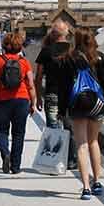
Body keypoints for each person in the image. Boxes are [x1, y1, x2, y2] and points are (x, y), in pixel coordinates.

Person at [54, 27, 104, 200]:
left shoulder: (67, 59)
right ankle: (97, 182)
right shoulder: (100, 57)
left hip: (76, 105)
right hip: (96, 105)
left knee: (81, 145)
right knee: (94, 141)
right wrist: (98, 94)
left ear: (75, 41)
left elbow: (63, 88)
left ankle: (85, 187)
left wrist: (62, 110)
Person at [0, 33, 37, 174]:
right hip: (21, 100)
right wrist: (33, 102)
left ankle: (5, 154)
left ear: (4, 46)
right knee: (18, 134)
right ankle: (15, 166)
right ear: (19, 47)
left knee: (1, 131)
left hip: (1, 100)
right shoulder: (24, 62)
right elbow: (31, 84)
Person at [35, 19, 77, 169]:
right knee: (70, 128)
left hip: (52, 93)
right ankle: (72, 160)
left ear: (53, 34)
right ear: (67, 34)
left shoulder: (46, 51)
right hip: (70, 95)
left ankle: (54, 161)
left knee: (53, 128)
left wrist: (38, 97)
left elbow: (38, 76)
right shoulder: (73, 51)